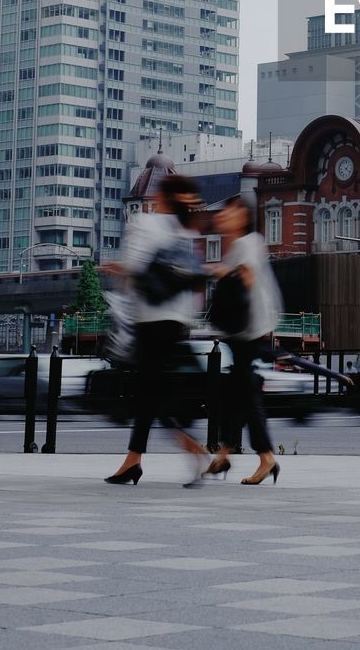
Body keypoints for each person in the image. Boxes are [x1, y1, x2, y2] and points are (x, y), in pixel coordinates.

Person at [103, 175, 210, 487]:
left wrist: (116, 268)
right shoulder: (181, 231)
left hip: (149, 319)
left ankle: (192, 447)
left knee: (150, 393)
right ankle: (132, 461)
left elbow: (135, 265)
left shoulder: (144, 222)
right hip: (177, 321)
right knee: (150, 392)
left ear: (160, 196)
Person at [204, 196, 283, 486]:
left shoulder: (247, 243)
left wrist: (220, 272)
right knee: (237, 396)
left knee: (245, 397)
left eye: (229, 213)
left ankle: (265, 458)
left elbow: (246, 278)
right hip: (246, 331)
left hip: (246, 331)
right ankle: (225, 454)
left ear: (242, 216)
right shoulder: (244, 244)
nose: (223, 217)